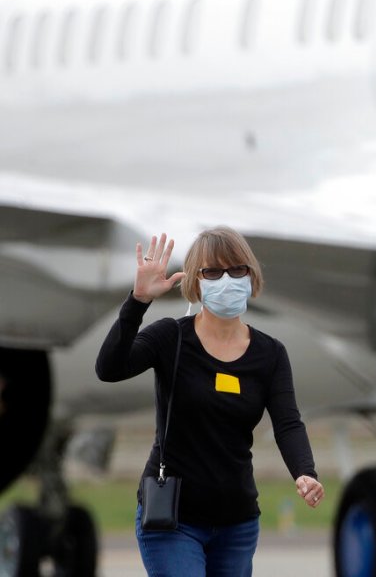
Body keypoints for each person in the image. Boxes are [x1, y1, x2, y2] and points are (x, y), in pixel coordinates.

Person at [96, 228, 324, 576]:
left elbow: (288, 423)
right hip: (173, 518)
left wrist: (305, 473)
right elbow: (109, 368)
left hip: (237, 523)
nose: (227, 280)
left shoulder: (270, 353)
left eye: (237, 270)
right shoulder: (170, 337)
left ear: (251, 275)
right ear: (196, 282)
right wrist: (137, 302)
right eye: (213, 272)